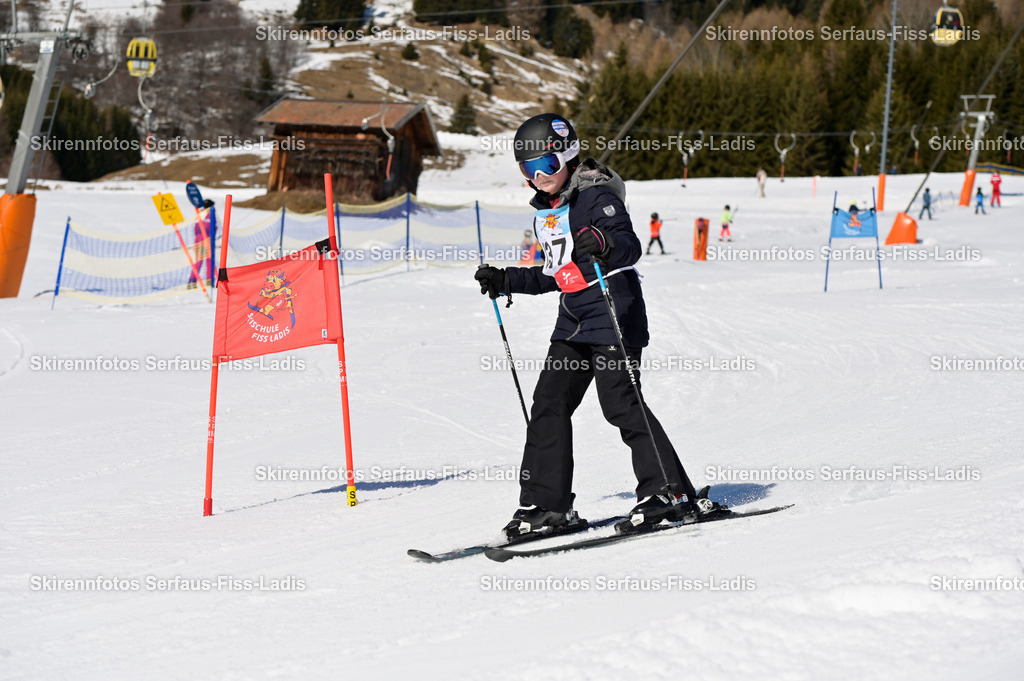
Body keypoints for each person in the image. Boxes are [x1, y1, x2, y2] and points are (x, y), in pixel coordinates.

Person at [473, 113, 724, 540]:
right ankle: (547, 505)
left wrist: (605, 243)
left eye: (547, 165)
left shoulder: (598, 197)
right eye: (527, 169)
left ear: (567, 156)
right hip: (573, 320)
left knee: (621, 403)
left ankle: (668, 492)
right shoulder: (548, 212)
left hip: (613, 312)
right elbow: (555, 274)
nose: (538, 176)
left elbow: (629, 246)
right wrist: (507, 279)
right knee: (549, 403)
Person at [188, 198, 214, 290]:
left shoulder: (210, 215)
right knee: (200, 262)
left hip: (207, 242)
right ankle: (192, 281)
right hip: (201, 242)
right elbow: (197, 230)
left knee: (209, 261)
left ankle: (209, 281)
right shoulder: (204, 215)